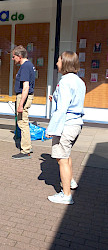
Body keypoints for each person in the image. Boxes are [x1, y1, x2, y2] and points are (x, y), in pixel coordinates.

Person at [46, 51, 86, 205]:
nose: (57, 63)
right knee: (66, 155)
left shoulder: (64, 81)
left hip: (66, 124)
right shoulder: (79, 81)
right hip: (76, 124)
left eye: (59, 60)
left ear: (65, 63)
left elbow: (62, 109)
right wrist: (55, 97)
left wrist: (52, 129)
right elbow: (71, 101)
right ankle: (71, 182)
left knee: (61, 159)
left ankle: (66, 194)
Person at [12, 45, 35, 159]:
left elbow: (25, 87)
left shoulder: (25, 66)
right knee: (23, 122)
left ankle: (25, 150)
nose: (13, 59)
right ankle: (27, 147)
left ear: (19, 56)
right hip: (25, 96)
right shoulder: (28, 65)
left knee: (22, 122)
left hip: (24, 96)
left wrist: (20, 104)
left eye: (14, 57)